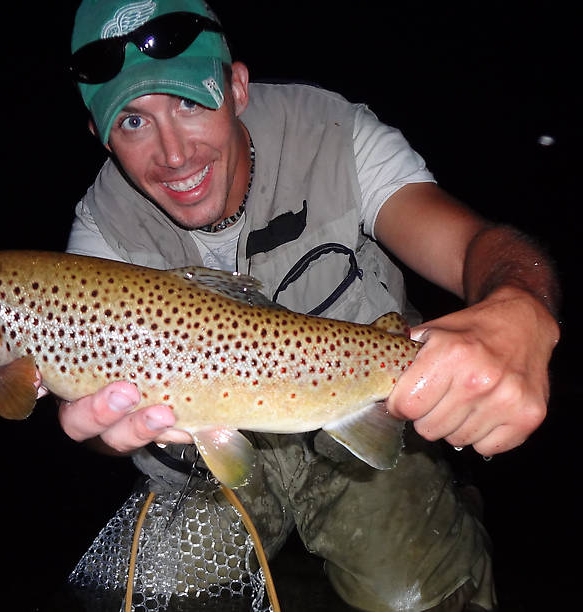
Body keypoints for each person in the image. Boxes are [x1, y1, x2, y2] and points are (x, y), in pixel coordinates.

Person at [49, 1, 561, 610]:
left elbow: (477, 246)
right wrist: (104, 435)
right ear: (99, 137)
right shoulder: (98, 238)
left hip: (363, 408)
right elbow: (93, 420)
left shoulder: (335, 137)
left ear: (237, 87)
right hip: (208, 460)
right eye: (132, 123)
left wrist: (521, 305)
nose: (174, 154)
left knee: (415, 594)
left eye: (189, 103)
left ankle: (451, 504)